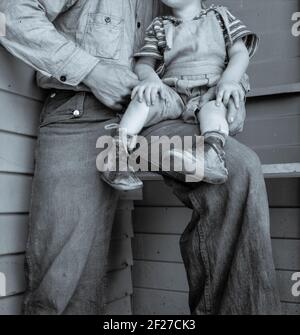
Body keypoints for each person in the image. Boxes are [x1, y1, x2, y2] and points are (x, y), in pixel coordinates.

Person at [0, 0, 281, 315]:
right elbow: (10, 14)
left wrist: (229, 91)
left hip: (156, 122)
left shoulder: (175, 6)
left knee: (237, 170)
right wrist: (92, 71)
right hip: (80, 112)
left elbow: (211, 53)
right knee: (64, 275)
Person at [102, 0, 257, 191]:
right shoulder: (159, 25)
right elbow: (144, 64)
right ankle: (117, 156)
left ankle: (210, 154)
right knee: (143, 98)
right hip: (172, 90)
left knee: (215, 108)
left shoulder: (220, 17)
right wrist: (150, 80)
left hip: (209, 90)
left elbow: (240, 53)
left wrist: (230, 80)